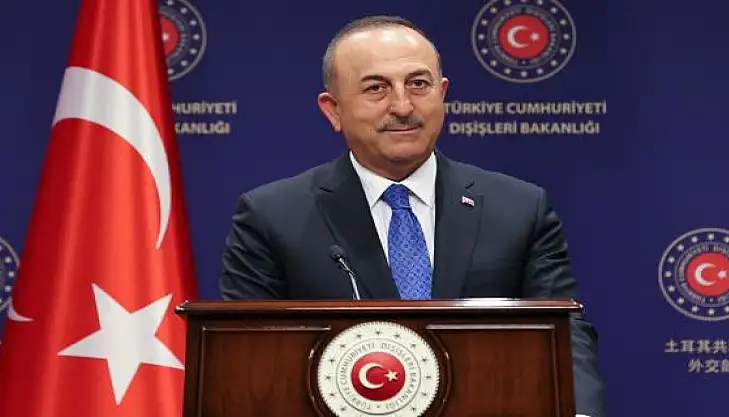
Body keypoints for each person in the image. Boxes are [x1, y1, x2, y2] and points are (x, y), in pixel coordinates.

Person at [219, 15, 605, 417]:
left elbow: (564, 333)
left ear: (442, 94)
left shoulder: (519, 208)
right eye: (376, 88)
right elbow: (246, 358)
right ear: (333, 110)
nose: (403, 106)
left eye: (418, 84)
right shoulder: (272, 216)